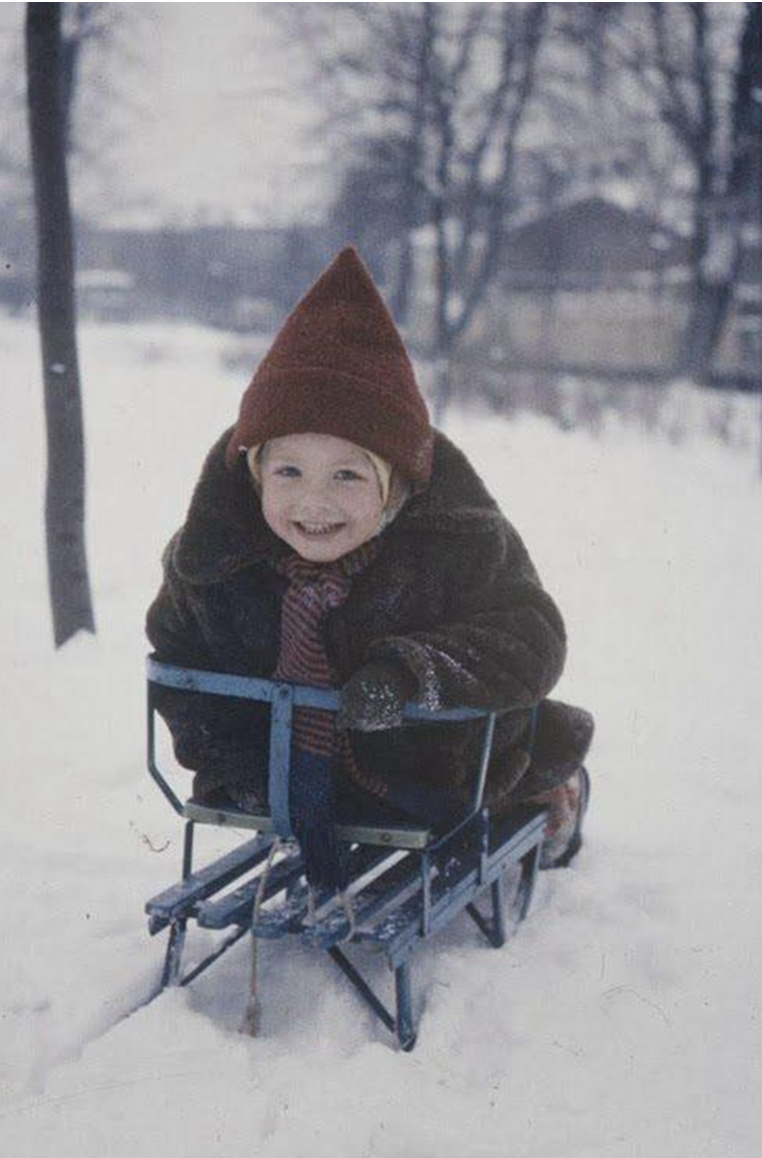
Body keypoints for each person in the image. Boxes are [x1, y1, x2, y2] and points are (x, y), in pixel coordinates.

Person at [146, 246, 594, 893]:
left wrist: (412, 674)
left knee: (515, 785)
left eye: (348, 476)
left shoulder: (457, 543)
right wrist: (234, 764)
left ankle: (554, 796)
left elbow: (530, 635)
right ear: (253, 475)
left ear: (398, 488)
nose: (313, 502)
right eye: (288, 471)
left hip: (435, 773)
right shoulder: (213, 564)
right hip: (279, 777)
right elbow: (180, 664)